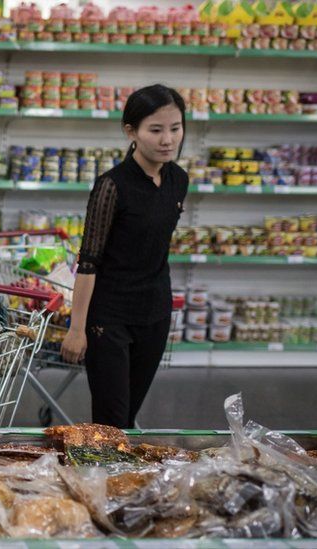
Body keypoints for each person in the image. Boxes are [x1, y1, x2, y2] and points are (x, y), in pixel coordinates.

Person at [60, 84, 189, 429]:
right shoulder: (112, 186)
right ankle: (97, 480)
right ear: (131, 131)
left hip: (156, 312)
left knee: (129, 417)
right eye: (156, 129)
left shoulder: (179, 179)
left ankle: (122, 481)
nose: (167, 139)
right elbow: (89, 261)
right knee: (110, 420)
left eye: (175, 128)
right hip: (109, 317)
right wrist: (77, 329)